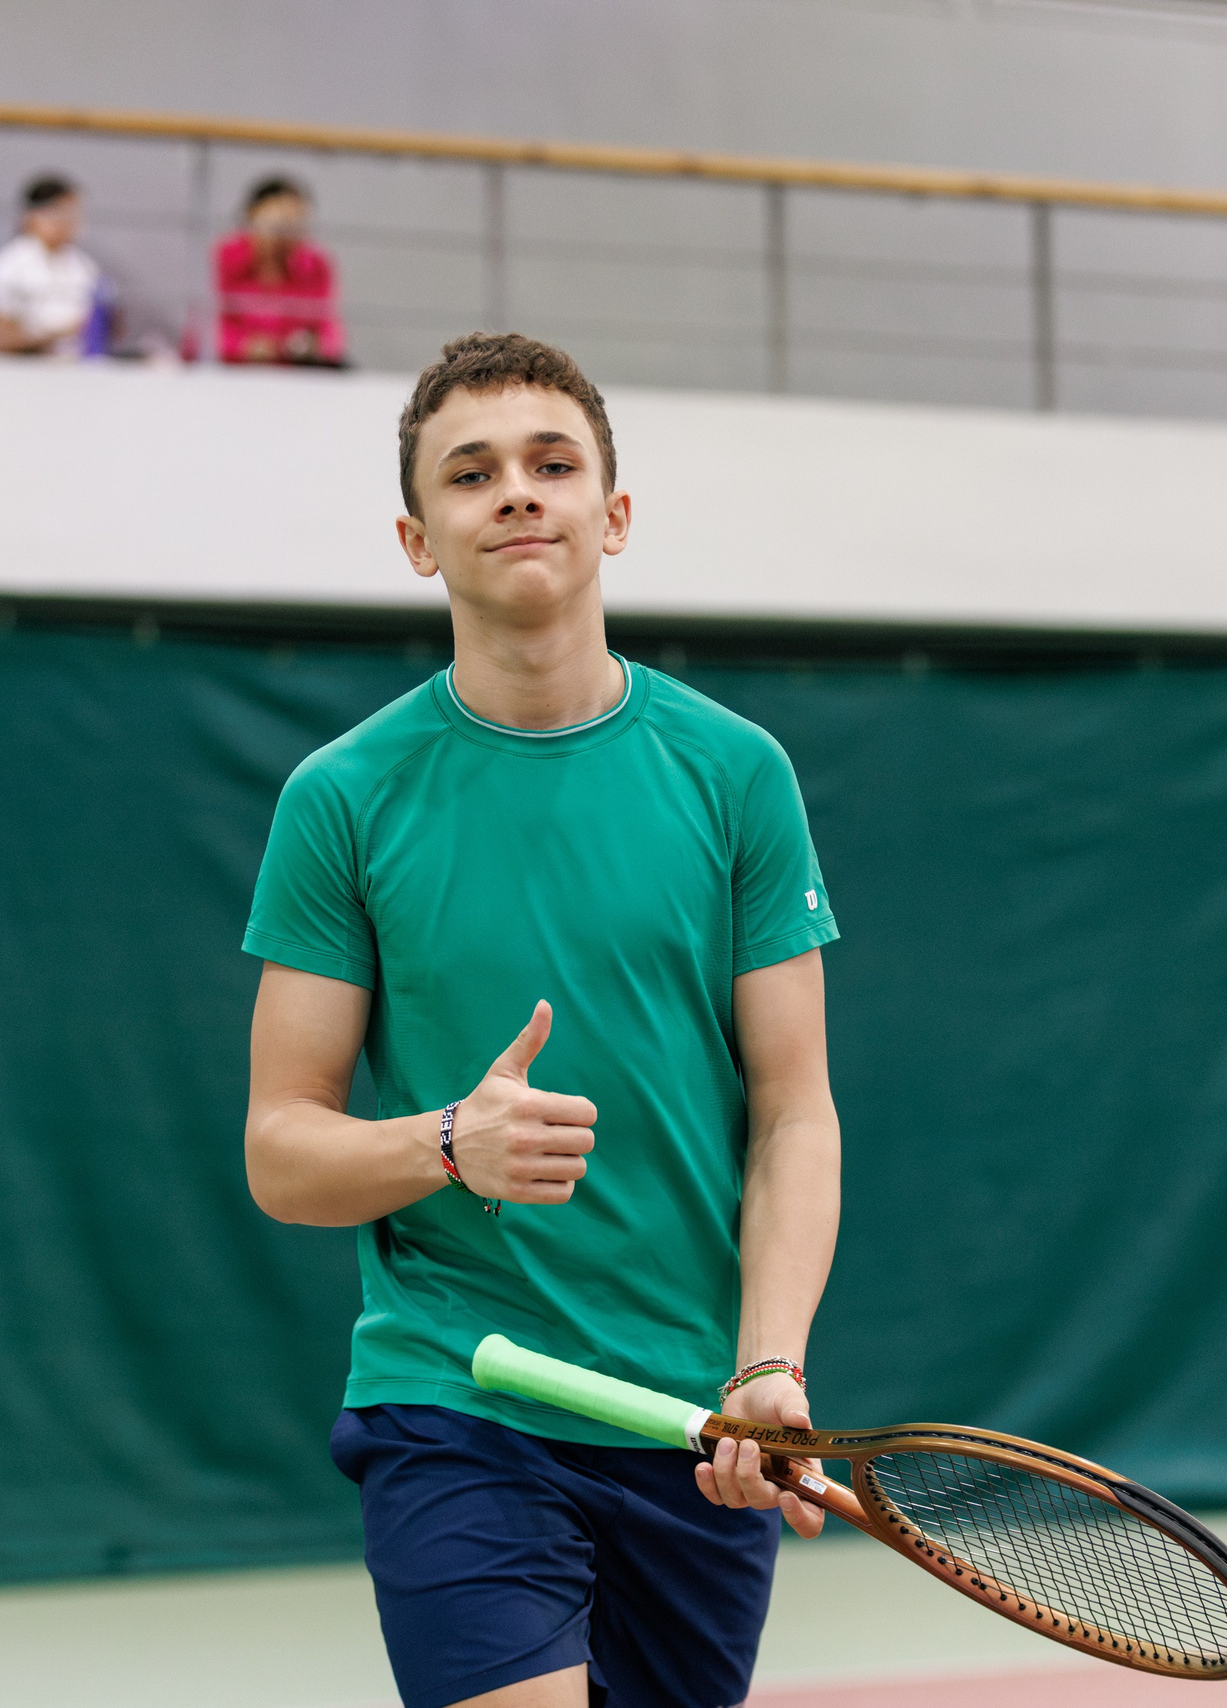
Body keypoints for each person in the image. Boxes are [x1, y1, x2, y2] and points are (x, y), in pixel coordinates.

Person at [242, 332, 843, 1708]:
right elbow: (282, 1153)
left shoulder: (739, 777)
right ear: (418, 538)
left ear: (611, 515)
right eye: (472, 473)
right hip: (460, 1400)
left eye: (551, 462)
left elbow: (794, 1111)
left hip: (687, 1423)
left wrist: (769, 1361)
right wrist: (448, 1143)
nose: (516, 492)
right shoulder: (341, 801)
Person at [202, 176, 345, 365]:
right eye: (281, 219)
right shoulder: (223, 257)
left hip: (296, 374)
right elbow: (203, 326)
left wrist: (312, 346)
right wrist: (244, 347)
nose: (287, 230)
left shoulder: (315, 264)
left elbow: (330, 330)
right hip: (232, 371)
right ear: (252, 215)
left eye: (297, 221)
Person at [0, 174, 104, 358]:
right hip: (27, 373)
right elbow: (1, 341)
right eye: (62, 213)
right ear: (34, 216)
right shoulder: (9, 266)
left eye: (74, 214)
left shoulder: (83, 266)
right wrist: (62, 332)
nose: (71, 222)